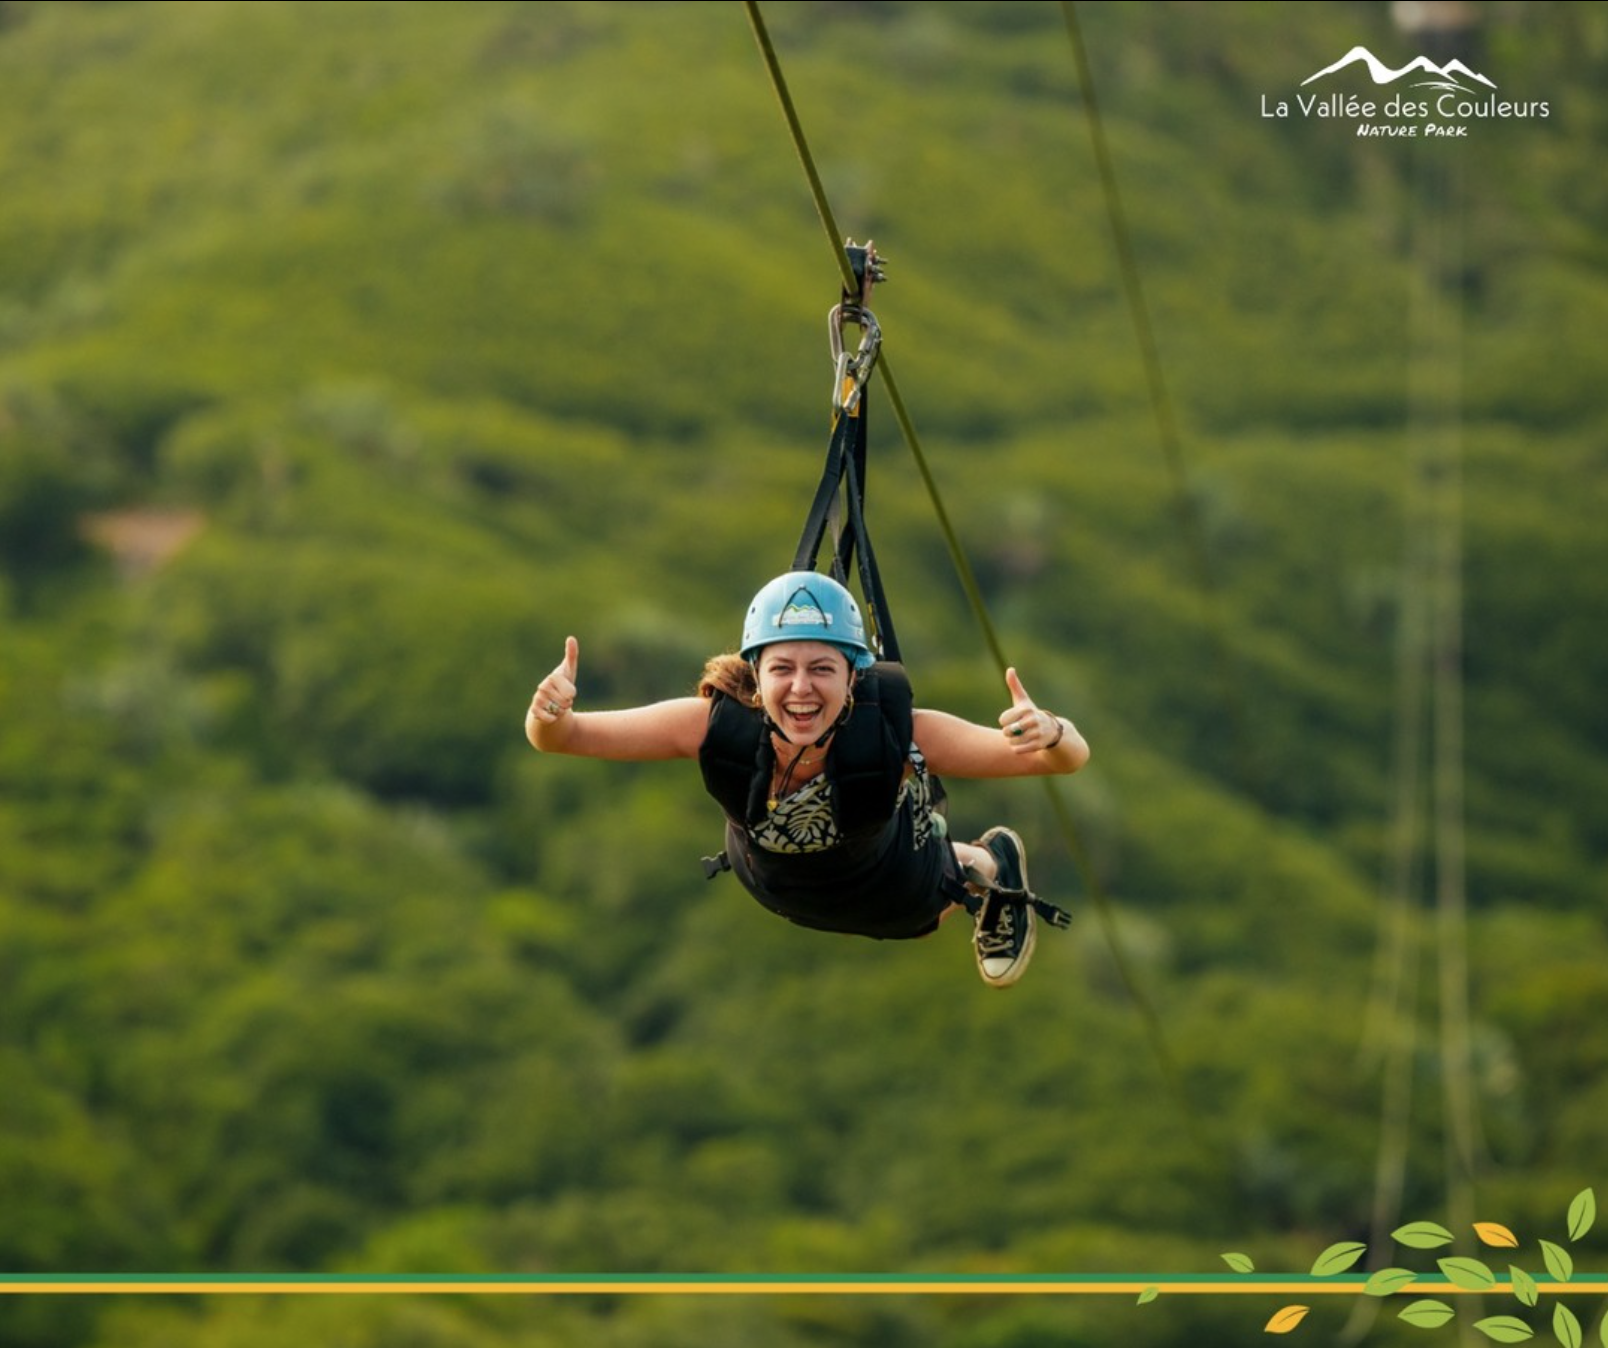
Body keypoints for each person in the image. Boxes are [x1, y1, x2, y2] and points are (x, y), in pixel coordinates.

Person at [525, 572, 1089, 987]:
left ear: (853, 677)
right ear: (755, 674)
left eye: (822, 669)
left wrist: (1051, 732)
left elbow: (1060, 762)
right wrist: (548, 713)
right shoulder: (712, 725)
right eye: (782, 669)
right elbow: (562, 738)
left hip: (895, 890)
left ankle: (990, 865)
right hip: (774, 886)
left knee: (935, 901)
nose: (801, 689)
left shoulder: (900, 733)